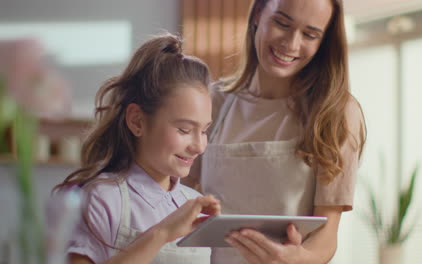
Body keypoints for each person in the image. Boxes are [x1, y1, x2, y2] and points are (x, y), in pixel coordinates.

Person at [184, 0, 366, 263]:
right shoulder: (214, 102)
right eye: (282, 23)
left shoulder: (336, 114)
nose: (291, 44)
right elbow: (174, 203)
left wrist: (296, 258)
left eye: (310, 34)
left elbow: (326, 238)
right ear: (258, 13)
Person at [53, 33, 221, 264]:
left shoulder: (195, 204)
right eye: (184, 129)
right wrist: (161, 233)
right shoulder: (102, 199)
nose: (199, 146)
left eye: (203, 131)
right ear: (137, 121)